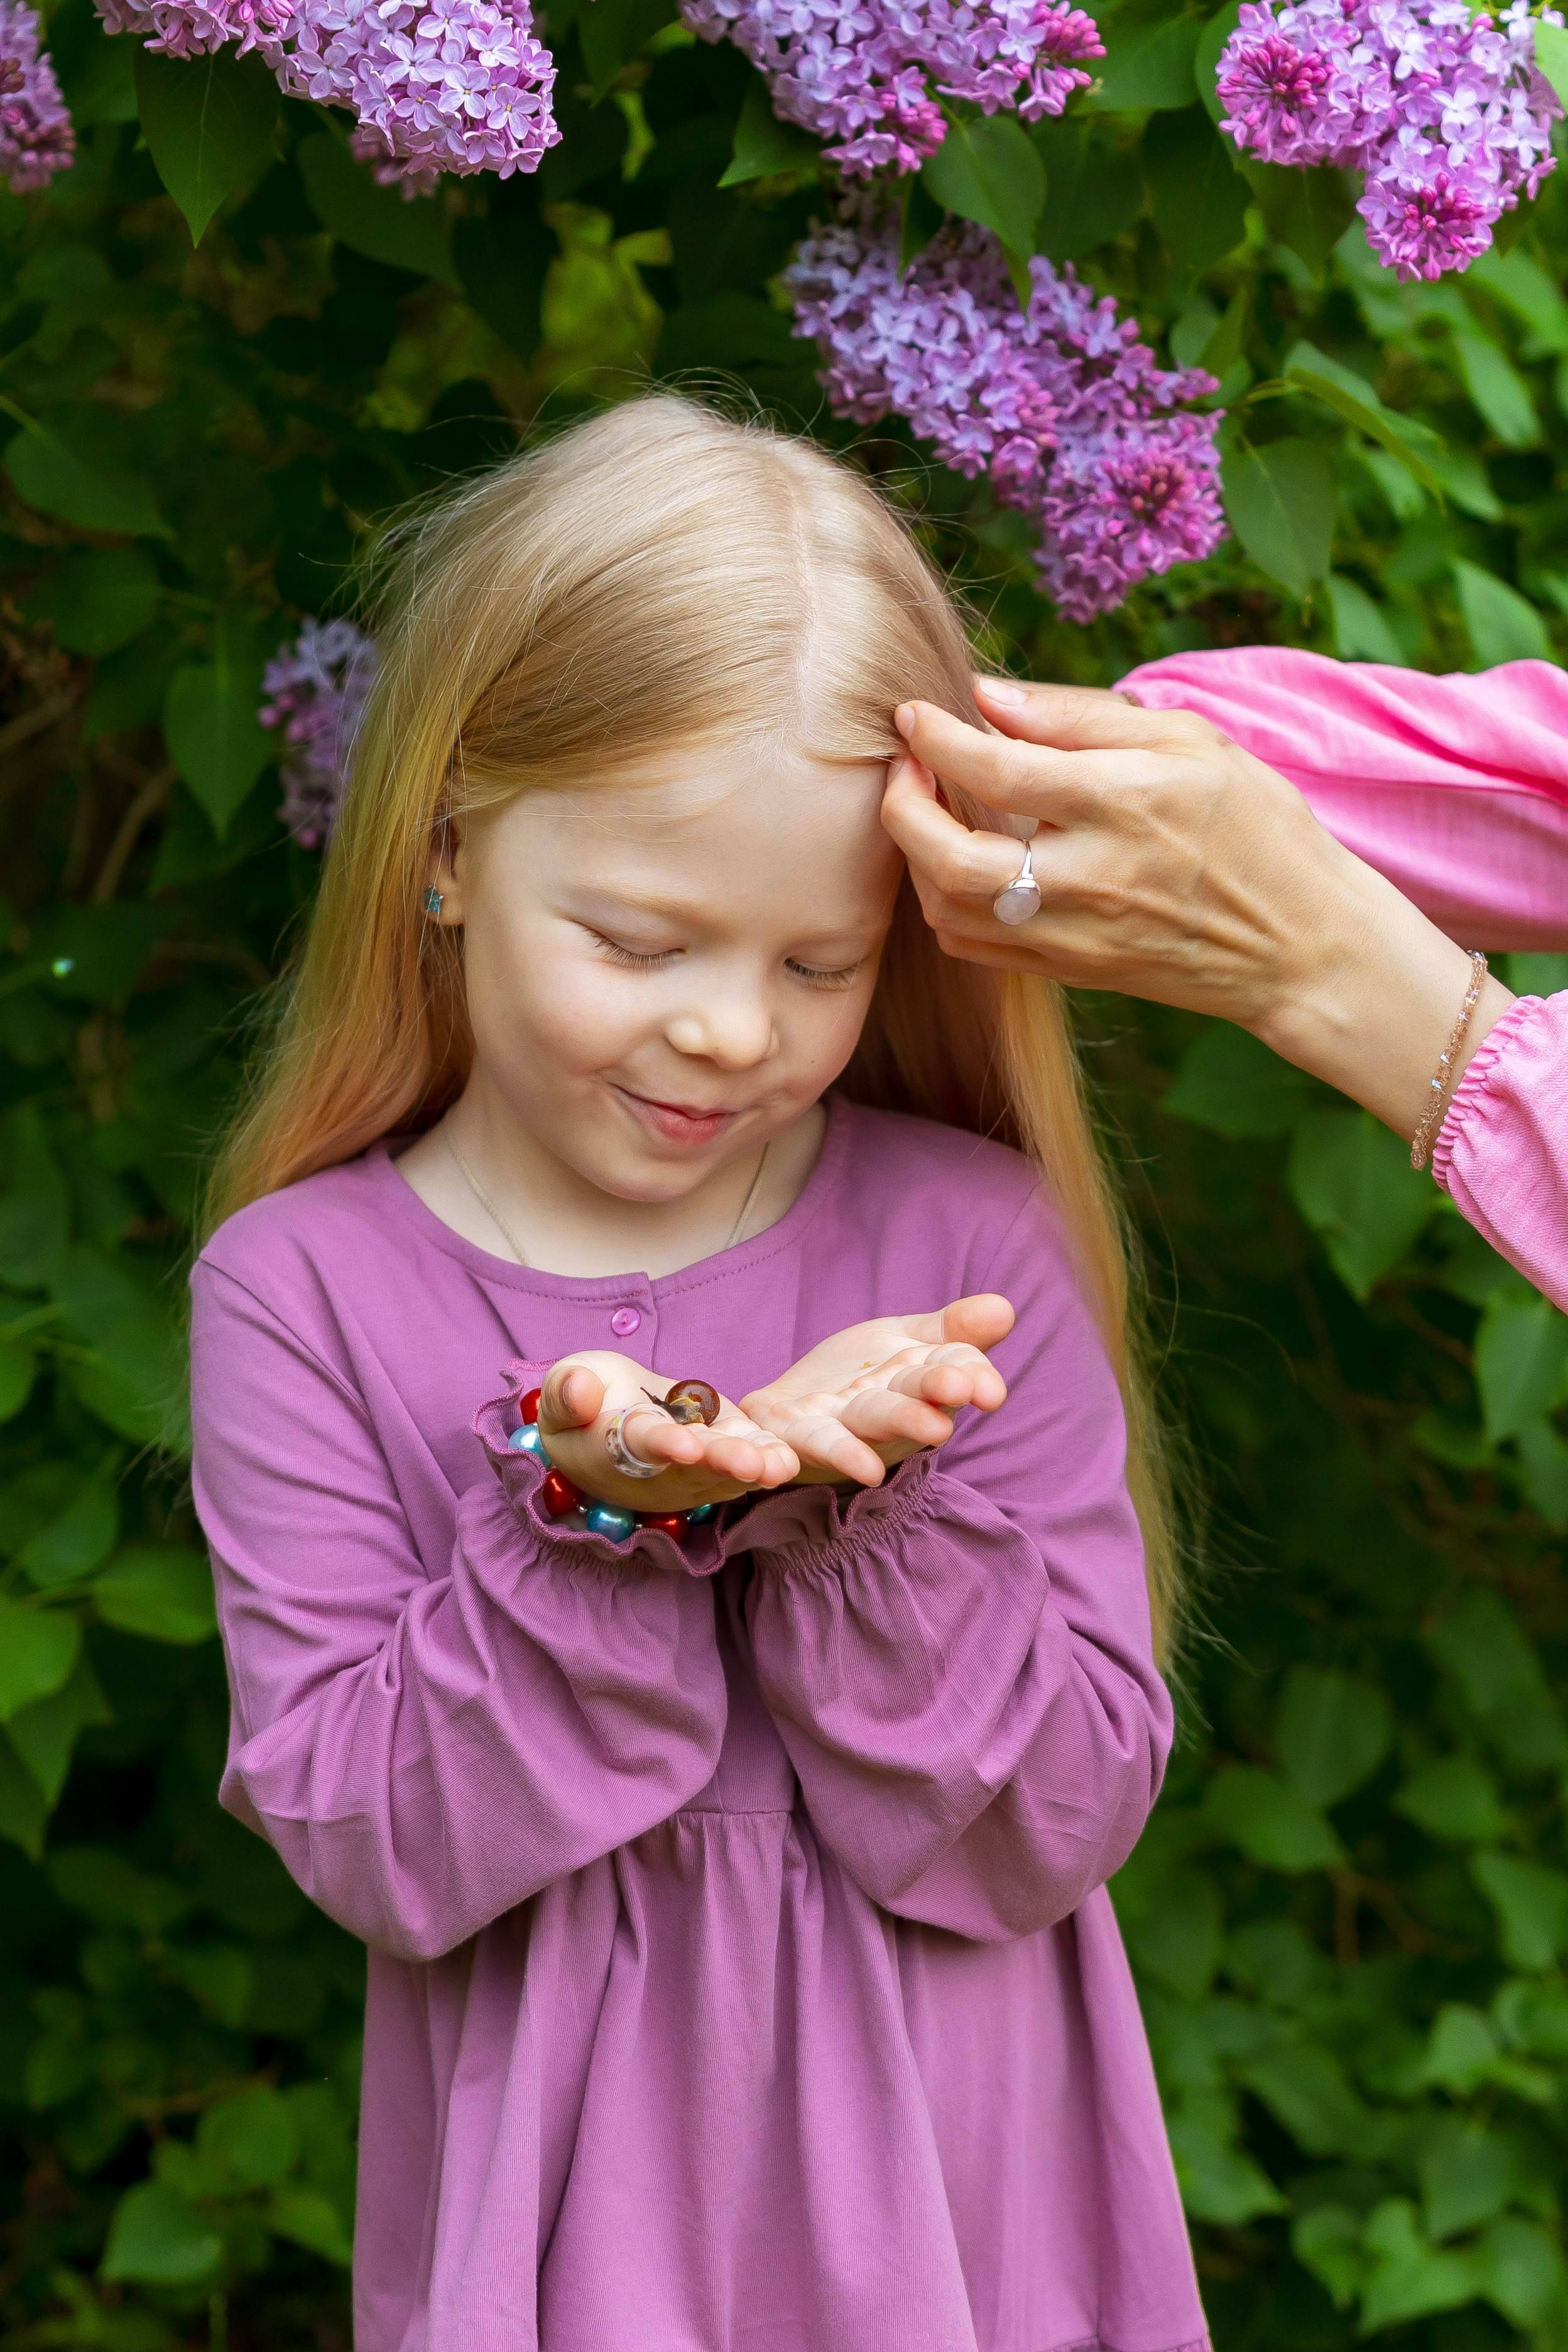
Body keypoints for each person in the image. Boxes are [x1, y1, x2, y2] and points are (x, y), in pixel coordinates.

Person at [190, 398, 1211, 2352]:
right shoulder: (301, 1292)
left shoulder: (972, 1249)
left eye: (818, 965)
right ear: (447, 854)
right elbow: (375, 1844)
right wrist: (595, 1524)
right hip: (575, 2253)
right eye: (641, 941)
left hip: (972, 2224)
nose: (734, 1030)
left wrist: (856, 1515)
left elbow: (1061, 1815)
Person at [885, 650, 1568, 1310]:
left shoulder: (993, 1250)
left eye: (831, 965)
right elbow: (1514, 775)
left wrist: (1324, 960)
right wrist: (1124, 761)